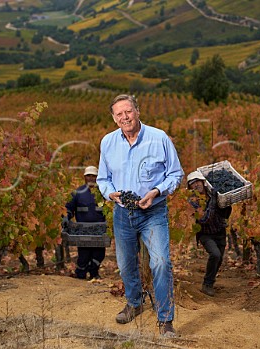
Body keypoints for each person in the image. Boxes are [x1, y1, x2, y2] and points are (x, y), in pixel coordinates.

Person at [97, 94, 183, 337]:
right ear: (114, 119)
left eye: (128, 111)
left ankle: (165, 320)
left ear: (137, 111)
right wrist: (110, 194)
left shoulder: (159, 138)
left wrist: (156, 191)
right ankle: (135, 303)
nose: (125, 117)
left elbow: (176, 174)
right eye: (119, 114)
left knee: (161, 262)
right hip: (123, 212)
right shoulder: (108, 142)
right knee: (125, 266)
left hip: (153, 211)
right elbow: (103, 178)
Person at [187, 171, 232, 297]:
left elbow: (225, 214)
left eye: (197, 181)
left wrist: (227, 203)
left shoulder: (215, 194)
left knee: (219, 258)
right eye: (192, 184)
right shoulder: (192, 201)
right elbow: (204, 219)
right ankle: (207, 284)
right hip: (205, 234)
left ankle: (210, 283)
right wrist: (213, 202)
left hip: (220, 231)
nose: (196, 185)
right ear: (190, 188)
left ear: (203, 182)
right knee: (215, 254)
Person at [64, 166, 107, 280]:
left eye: (94, 176)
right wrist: (66, 217)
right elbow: (69, 208)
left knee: (99, 254)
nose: (91, 178)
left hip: (100, 230)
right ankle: (80, 275)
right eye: (89, 175)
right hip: (83, 230)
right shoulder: (77, 193)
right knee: (84, 255)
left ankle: (94, 273)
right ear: (84, 177)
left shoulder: (104, 192)